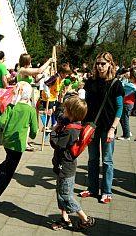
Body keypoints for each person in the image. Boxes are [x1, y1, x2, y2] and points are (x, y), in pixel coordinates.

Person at [80, 52, 124, 204]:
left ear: (110, 64)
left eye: (103, 63)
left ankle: (106, 191)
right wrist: (83, 124)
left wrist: (113, 128)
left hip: (107, 126)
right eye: (98, 63)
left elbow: (119, 108)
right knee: (92, 159)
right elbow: (86, 104)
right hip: (92, 126)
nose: (100, 66)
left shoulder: (116, 84)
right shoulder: (91, 81)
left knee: (107, 160)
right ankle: (92, 188)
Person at [0, 81, 38, 205]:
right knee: (8, 172)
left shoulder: (11, 107)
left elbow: (0, 122)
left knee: (6, 163)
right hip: (18, 145)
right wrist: (32, 136)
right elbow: (34, 129)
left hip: (7, 141)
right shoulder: (30, 110)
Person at [50, 95, 95, 231]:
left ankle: (84, 218)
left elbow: (57, 144)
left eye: (66, 109)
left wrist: (53, 130)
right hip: (63, 166)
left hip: (66, 167)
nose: (63, 110)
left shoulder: (71, 130)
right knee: (60, 193)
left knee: (65, 195)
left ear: (71, 112)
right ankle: (64, 219)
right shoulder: (74, 125)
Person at [117, 68, 136, 140]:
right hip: (130, 103)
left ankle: (126, 135)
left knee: (124, 119)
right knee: (124, 118)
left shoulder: (131, 85)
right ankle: (127, 132)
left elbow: (121, 86)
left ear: (132, 78)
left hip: (126, 103)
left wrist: (123, 78)